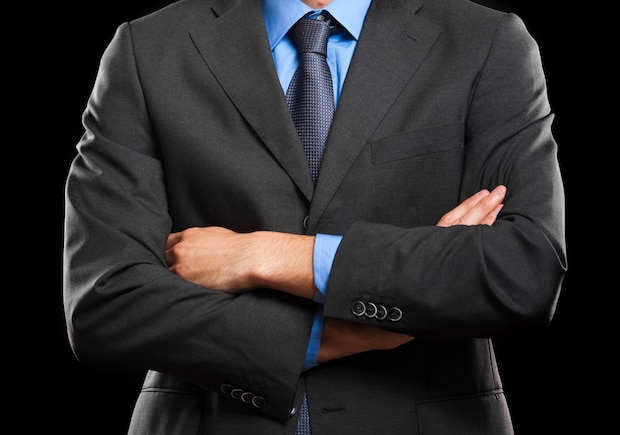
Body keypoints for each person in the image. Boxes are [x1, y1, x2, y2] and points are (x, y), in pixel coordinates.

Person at [63, 0, 567, 433]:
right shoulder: (147, 48)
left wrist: (260, 255)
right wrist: (355, 333)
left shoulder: (485, 42)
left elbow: (521, 272)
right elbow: (105, 303)